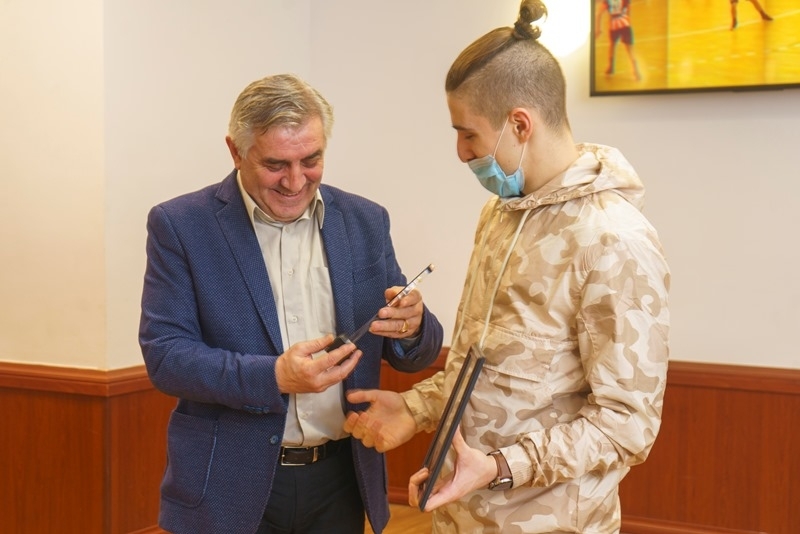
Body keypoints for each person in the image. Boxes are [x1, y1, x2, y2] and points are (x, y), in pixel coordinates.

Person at [344, 1, 670, 532]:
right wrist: (416, 408)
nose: (460, 151)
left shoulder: (613, 240)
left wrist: (499, 467)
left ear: (519, 124)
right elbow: (486, 367)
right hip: (460, 515)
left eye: (468, 134)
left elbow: (626, 425)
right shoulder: (500, 214)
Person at [139, 73, 444, 534]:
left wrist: (414, 327)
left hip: (341, 479)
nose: (296, 181)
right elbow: (166, 357)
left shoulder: (365, 220)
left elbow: (412, 353)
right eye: (276, 164)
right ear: (235, 151)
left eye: (312, 160)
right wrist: (275, 377)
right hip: (227, 484)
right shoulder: (181, 225)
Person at [595, 0, 641, 80]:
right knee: (629, 49)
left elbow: (599, 13)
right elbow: (629, 8)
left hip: (614, 24)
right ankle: (635, 70)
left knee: (612, 45)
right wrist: (628, 20)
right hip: (625, 23)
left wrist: (598, 29)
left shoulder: (607, 1)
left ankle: (611, 67)